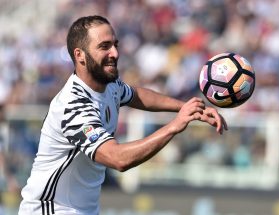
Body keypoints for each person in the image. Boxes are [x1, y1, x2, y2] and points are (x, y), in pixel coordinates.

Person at [18, 15, 227, 215]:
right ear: (79, 55)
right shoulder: (73, 106)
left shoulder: (109, 85)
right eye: (104, 46)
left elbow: (135, 94)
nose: (115, 53)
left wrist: (187, 108)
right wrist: (174, 125)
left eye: (115, 44)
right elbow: (117, 159)